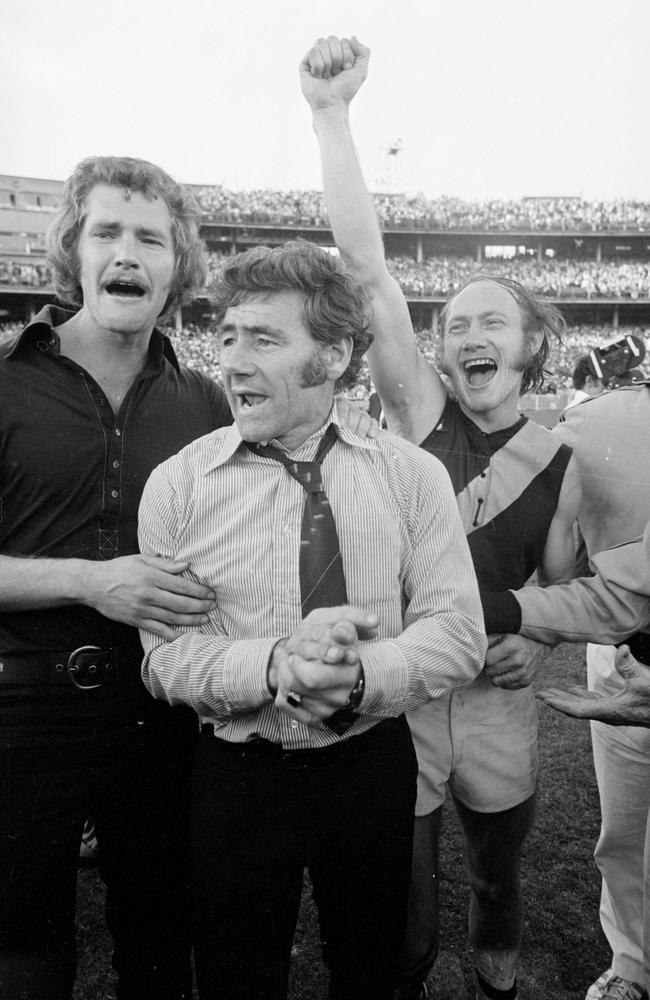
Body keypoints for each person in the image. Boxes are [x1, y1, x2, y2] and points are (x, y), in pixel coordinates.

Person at [300, 35, 582, 1000]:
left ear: (535, 345)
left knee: (499, 878)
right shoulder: (420, 409)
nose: (467, 334)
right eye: (454, 321)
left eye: (490, 320)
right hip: (408, 678)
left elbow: (554, 583)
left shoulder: (562, 458)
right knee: (403, 898)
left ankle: (496, 972)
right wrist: (333, 116)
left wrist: (536, 644)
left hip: (498, 697)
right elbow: (368, 270)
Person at [137, 238, 487, 1000]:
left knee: (370, 968)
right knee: (235, 974)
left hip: (370, 767)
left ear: (331, 356)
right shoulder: (178, 486)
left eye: (263, 338)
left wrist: (361, 676)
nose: (232, 359)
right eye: (227, 336)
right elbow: (164, 660)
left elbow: (458, 633)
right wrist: (274, 666)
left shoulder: (413, 477)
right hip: (236, 773)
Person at [0, 155, 236, 1000]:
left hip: (161, 714)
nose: (127, 252)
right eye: (107, 232)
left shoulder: (204, 400)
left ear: (179, 267)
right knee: (23, 950)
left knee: (159, 939)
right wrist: (91, 583)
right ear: (75, 249)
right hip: (20, 710)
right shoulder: (5, 382)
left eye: (150, 238)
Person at [484, 382, 650, 1000]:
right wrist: (540, 633)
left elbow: (617, 592)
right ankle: (631, 965)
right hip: (627, 658)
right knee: (625, 832)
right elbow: (571, 553)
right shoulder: (600, 419)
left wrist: (508, 614)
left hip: (622, 640)